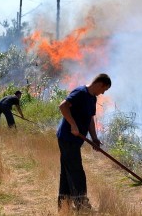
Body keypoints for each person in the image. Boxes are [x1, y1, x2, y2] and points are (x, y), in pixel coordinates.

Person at [56, 73, 111, 211]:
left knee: (67, 170)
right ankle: (81, 203)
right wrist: (73, 125)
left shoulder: (92, 98)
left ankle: (64, 203)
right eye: (104, 89)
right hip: (67, 138)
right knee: (76, 172)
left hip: (75, 140)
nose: (103, 92)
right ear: (99, 84)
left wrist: (94, 138)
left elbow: (90, 119)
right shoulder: (80, 92)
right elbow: (63, 106)